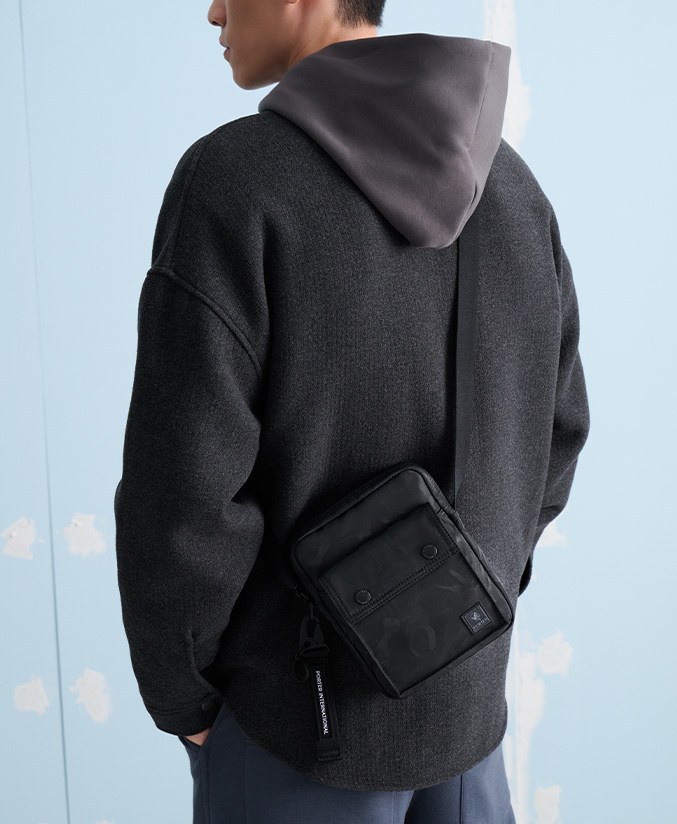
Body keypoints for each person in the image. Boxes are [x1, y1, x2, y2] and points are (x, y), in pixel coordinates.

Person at [113, 0, 591, 820]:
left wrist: (182, 695)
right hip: (466, 717)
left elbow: (183, 486)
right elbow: (558, 431)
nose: (213, 10)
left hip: (295, 728)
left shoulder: (235, 181)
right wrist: (467, 605)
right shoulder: (511, 187)